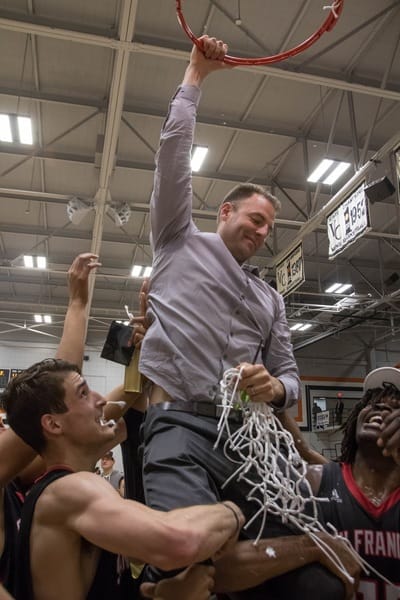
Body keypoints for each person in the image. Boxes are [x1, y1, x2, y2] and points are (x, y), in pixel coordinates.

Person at [138, 35, 350, 599]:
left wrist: (272, 389)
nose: (261, 234)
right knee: (186, 567)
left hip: (247, 435)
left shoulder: (270, 300)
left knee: (318, 588)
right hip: (179, 424)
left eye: (267, 229)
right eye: (253, 219)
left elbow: (291, 380)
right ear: (224, 211)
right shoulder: (178, 240)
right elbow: (171, 159)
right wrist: (195, 77)